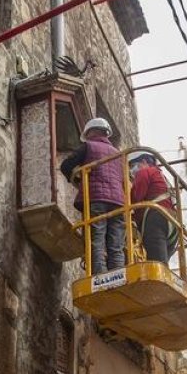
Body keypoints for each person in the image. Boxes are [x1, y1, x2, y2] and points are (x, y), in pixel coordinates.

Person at [60, 117, 124, 274]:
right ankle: (118, 275)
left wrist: (76, 178)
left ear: (91, 132)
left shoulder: (88, 146)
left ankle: (100, 276)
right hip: (119, 202)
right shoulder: (119, 154)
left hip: (96, 199)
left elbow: (65, 165)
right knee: (116, 244)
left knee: (97, 240)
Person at [128, 152, 177, 263]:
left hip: (156, 218)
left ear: (144, 162)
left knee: (156, 263)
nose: (131, 171)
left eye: (132, 166)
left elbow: (136, 197)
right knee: (163, 265)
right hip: (173, 222)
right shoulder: (162, 176)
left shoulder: (145, 172)